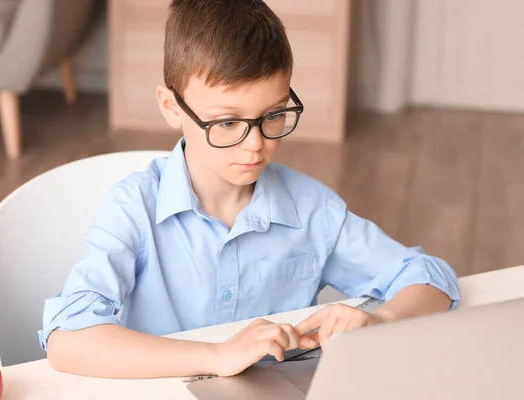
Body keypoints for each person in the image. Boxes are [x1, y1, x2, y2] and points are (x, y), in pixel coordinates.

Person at [39, 0, 460, 379]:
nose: (255, 143)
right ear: (172, 108)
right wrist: (217, 356)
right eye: (227, 123)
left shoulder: (313, 210)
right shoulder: (135, 208)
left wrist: (381, 320)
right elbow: (68, 339)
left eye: (273, 115)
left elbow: (431, 278)